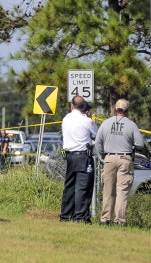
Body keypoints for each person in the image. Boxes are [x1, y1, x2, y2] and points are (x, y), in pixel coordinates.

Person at [95, 98, 144, 226]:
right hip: (125, 159)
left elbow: (98, 143)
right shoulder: (131, 125)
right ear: (127, 111)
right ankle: (119, 221)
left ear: (115, 109)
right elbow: (140, 144)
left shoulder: (105, 123)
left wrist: (102, 157)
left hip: (109, 158)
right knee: (122, 191)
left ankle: (105, 219)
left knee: (108, 190)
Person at [60, 95, 98, 223]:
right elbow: (96, 136)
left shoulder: (66, 119)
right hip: (83, 156)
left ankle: (66, 216)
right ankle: (80, 217)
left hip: (69, 156)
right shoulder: (87, 121)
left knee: (69, 187)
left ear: (72, 106)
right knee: (83, 187)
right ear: (83, 108)